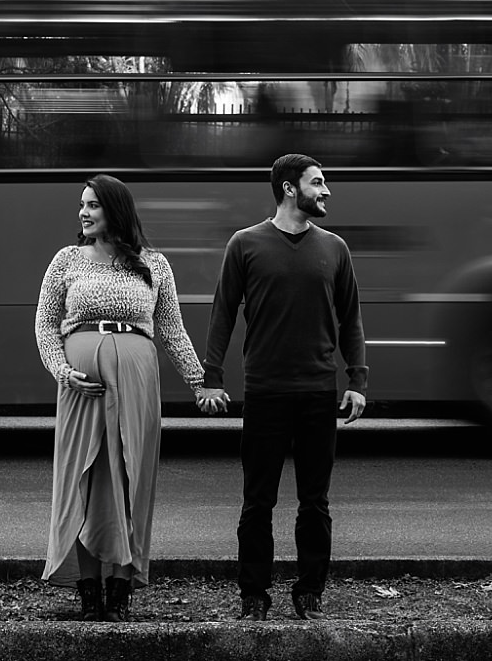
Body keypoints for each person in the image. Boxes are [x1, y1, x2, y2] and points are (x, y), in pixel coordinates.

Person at [35, 174, 218, 622]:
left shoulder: (154, 264)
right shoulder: (66, 261)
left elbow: (172, 329)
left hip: (137, 382)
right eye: (82, 205)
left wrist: (201, 382)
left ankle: (120, 587)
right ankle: (87, 589)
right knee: (83, 477)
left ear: (115, 210)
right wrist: (63, 372)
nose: (83, 213)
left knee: (129, 474)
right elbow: (45, 325)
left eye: (93, 205)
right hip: (81, 388)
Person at [197, 153, 367, 622]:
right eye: (318, 182)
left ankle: (310, 592)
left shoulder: (335, 248)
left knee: (315, 502)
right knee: (258, 501)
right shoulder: (245, 244)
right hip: (266, 391)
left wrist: (357, 380)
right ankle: (254, 595)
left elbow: (350, 317)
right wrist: (212, 377)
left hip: (318, 392)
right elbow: (223, 312)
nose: (326, 190)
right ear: (290, 188)